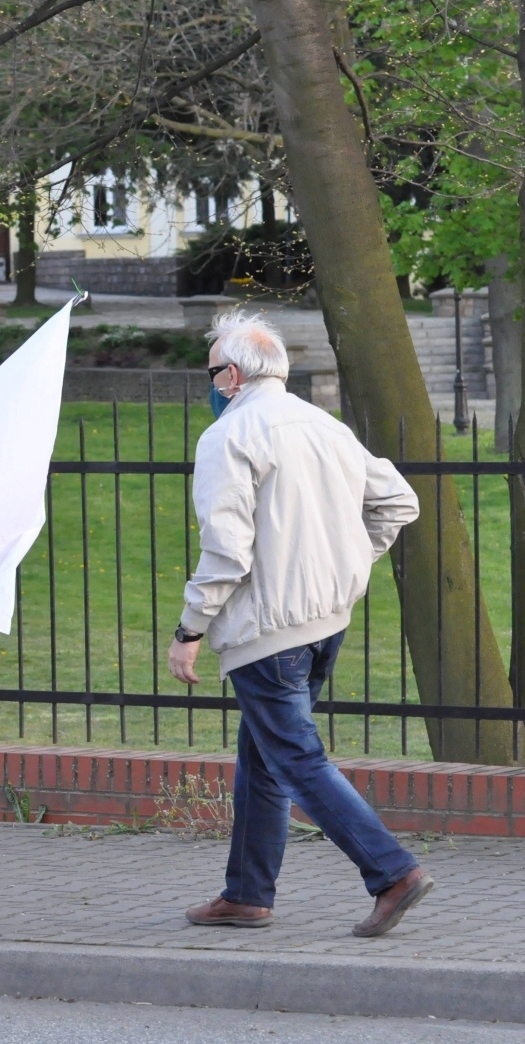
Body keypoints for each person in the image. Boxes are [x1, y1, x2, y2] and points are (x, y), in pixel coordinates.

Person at [169, 310, 431, 938]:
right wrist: (345, 561)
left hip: (268, 632)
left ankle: (391, 870)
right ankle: (247, 894)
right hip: (324, 623)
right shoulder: (325, 426)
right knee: (265, 758)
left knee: (295, 759)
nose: (209, 385)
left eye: (210, 373)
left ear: (230, 375)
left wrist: (189, 632)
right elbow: (400, 501)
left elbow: (227, 551)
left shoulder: (228, 438)